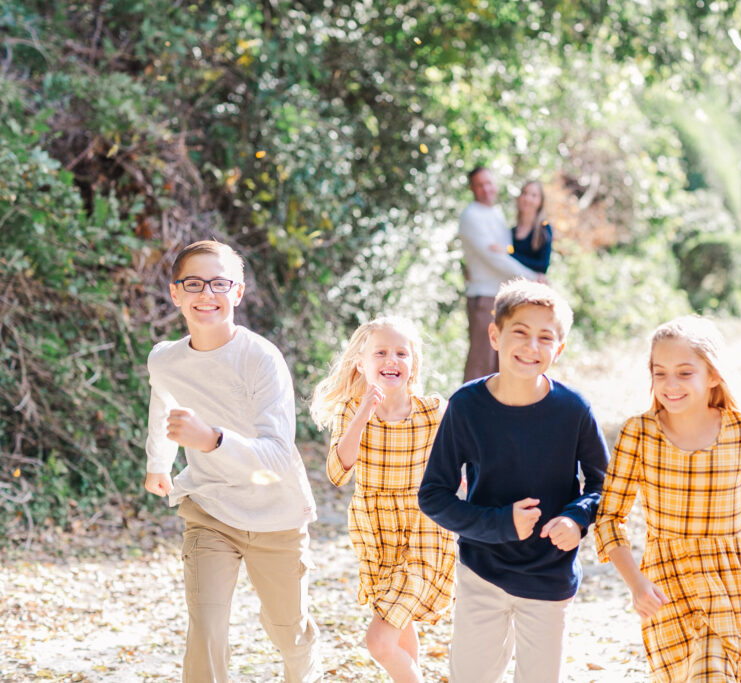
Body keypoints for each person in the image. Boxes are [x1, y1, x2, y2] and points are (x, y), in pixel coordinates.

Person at [593, 315, 741, 682]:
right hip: (666, 582)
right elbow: (609, 517)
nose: (670, 385)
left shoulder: (738, 429)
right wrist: (636, 583)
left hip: (731, 577)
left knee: (717, 672)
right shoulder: (638, 434)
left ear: (713, 375)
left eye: (685, 373)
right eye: (660, 373)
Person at [143, 240, 322, 682]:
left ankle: (306, 669)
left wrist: (212, 439)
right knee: (205, 630)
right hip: (209, 510)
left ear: (237, 293)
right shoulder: (165, 360)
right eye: (195, 283)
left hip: (275, 516)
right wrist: (158, 463)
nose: (208, 293)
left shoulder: (261, 359)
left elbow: (279, 455)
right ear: (176, 293)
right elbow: (162, 404)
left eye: (220, 283)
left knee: (288, 632)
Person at [418, 278, 609, 683]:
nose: (532, 347)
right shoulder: (467, 407)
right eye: (520, 333)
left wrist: (577, 519)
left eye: (545, 338)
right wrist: (500, 524)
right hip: (481, 572)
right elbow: (433, 495)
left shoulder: (574, 410)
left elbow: (605, 484)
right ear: (495, 334)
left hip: (549, 575)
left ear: (559, 348)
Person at [309, 316, 456, 683]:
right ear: (362, 363)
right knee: (398, 629)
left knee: (378, 640)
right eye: (381, 352)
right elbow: (338, 472)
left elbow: (462, 463)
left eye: (401, 353)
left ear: (413, 364)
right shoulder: (349, 411)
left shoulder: (433, 411)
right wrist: (363, 412)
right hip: (375, 534)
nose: (392, 360)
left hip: (424, 532)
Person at [459, 166, 542, 382]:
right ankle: (464, 414)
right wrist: (533, 277)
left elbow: (508, 253)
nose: (486, 189)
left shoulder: (496, 213)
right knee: (481, 362)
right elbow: (494, 259)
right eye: (479, 185)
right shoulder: (471, 215)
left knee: (501, 363)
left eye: (489, 183)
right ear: (471, 188)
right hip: (484, 297)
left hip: (504, 297)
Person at [509, 180, 553, 276]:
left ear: (540, 202)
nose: (527, 198)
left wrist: (510, 255)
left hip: (533, 287)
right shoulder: (512, 232)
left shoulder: (544, 229)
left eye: (533, 195)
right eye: (524, 193)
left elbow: (542, 266)